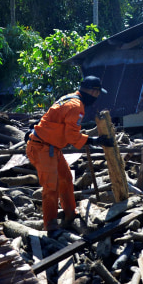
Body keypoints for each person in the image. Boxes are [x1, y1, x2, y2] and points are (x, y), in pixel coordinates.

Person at [26, 76, 113, 233]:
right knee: (51, 187)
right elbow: (71, 137)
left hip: (51, 148)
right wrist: (95, 141)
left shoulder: (69, 98)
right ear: (93, 92)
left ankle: (70, 214)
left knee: (66, 179)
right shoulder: (76, 106)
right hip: (43, 148)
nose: (98, 97)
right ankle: (51, 225)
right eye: (98, 93)